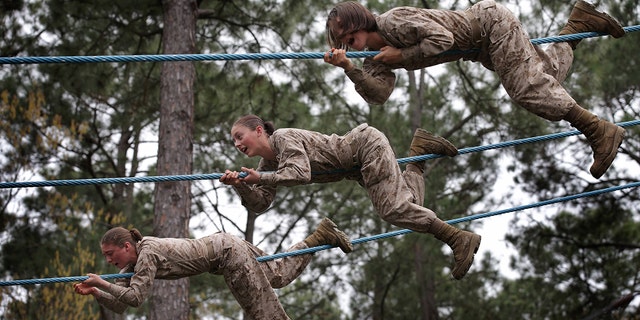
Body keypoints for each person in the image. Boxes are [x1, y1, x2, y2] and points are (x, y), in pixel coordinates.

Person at [323, 0, 626, 179]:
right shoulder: (374, 61)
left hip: (490, 24)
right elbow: (379, 94)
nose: (342, 39)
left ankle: (597, 130)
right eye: (339, 39)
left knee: (527, 89)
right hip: (482, 48)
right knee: (547, 76)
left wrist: (401, 56)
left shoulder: (393, 22)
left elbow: (442, 40)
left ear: (357, 20)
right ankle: (579, 24)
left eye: (344, 31)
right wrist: (350, 68)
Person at [220, 114, 481, 280]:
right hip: (357, 167)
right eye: (233, 141)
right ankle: (420, 151)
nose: (237, 144)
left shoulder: (283, 139)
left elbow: (299, 173)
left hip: (364, 147)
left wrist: (259, 179)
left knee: (392, 210)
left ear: (258, 130)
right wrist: (240, 185)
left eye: (239, 136)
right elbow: (261, 204)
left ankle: (457, 238)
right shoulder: (268, 165)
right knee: (409, 206)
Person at [72, 218, 353, 319]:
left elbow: (135, 297)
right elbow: (122, 305)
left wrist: (101, 282)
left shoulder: (147, 253)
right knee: (278, 274)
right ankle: (319, 237)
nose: (109, 262)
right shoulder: (133, 265)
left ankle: (319, 237)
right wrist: (97, 292)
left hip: (227, 254)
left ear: (126, 246)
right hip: (226, 246)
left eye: (111, 255)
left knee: (265, 314)